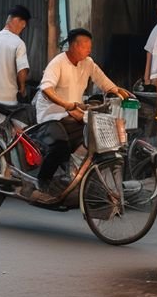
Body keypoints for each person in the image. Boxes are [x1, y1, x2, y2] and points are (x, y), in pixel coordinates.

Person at [29, 28, 131, 203]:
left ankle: (78, 181)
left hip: (75, 114)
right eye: (86, 46)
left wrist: (119, 91)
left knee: (94, 141)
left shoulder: (88, 63)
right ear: (74, 46)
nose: (89, 50)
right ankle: (42, 182)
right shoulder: (58, 62)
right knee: (60, 146)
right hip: (51, 115)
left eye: (90, 47)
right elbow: (46, 89)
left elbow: (104, 81)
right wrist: (65, 104)